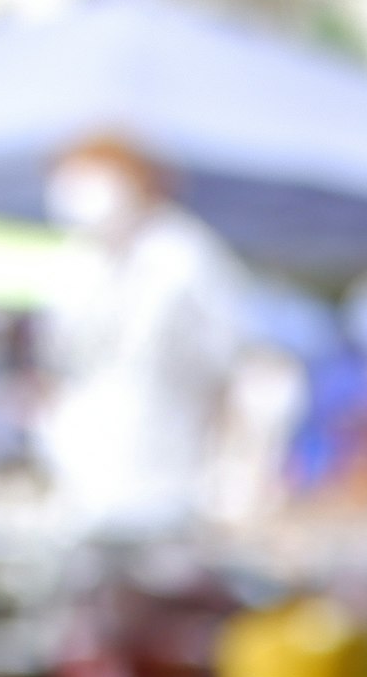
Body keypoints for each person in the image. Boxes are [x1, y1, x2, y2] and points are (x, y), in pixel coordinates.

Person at [34, 133, 250, 539]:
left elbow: (224, 372)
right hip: (84, 483)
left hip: (167, 480)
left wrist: (228, 482)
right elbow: (58, 363)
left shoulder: (184, 258)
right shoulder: (77, 261)